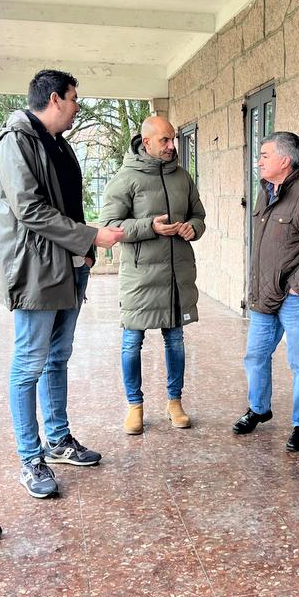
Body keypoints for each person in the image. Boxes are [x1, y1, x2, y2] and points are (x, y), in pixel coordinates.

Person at [0, 69, 124, 498]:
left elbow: (66, 204)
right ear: (54, 99)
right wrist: (90, 237)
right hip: (36, 272)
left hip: (68, 266)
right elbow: (29, 209)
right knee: (29, 363)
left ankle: (58, 439)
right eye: (73, 99)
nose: (77, 107)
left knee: (57, 358)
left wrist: (84, 251)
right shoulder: (16, 141)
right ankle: (30, 458)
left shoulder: (57, 143)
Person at [99, 116, 206, 434]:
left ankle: (175, 402)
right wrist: (150, 227)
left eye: (173, 139)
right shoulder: (125, 178)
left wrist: (193, 228)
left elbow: (199, 215)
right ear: (146, 142)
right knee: (132, 342)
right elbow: (110, 226)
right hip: (140, 279)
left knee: (175, 340)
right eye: (165, 140)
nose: (173, 145)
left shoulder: (182, 177)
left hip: (176, 277)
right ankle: (135, 406)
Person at [233, 131, 299, 452]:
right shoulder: (265, 191)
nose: (259, 161)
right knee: (255, 355)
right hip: (264, 295)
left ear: (285, 160)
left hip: (295, 298)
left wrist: (297, 288)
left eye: (265, 155)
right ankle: (259, 409)